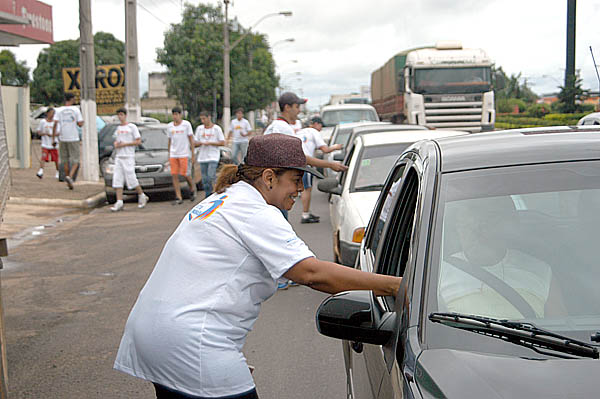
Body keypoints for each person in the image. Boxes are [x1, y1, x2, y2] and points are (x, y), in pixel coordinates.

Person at [114, 133, 402, 399]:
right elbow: (312, 274)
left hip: (156, 335)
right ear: (269, 177)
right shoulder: (255, 212)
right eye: (296, 179)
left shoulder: (219, 201)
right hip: (191, 343)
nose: (301, 189)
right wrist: (396, 285)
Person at [438, 198, 566, 319]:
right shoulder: (437, 275)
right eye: (468, 226)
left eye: (484, 225)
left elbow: (562, 333)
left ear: (504, 228)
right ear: (457, 229)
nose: (477, 234)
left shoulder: (540, 271)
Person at [297, 116, 343, 224]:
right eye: (321, 125)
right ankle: (305, 214)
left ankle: (307, 212)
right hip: (306, 163)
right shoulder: (313, 132)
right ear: (316, 124)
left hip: (297, 161)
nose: (321, 128)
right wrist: (336, 147)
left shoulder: (300, 132)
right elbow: (325, 150)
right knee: (306, 189)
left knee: (304, 188)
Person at [109, 108, 149, 212]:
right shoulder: (117, 128)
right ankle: (119, 201)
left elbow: (138, 141)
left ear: (125, 115)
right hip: (119, 156)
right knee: (117, 178)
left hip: (128, 156)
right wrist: (117, 144)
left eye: (121, 114)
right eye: (118, 115)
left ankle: (141, 195)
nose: (120, 117)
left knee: (131, 178)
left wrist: (125, 144)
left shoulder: (132, 127)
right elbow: (116, 141)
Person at [53, 93, 83, 190]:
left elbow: (55, 124)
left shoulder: (59, 110)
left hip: (62, 137)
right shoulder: (76, 110)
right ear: (72, 99)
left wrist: (54, 138)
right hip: (73, 137)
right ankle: (70, 176)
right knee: (76, 160)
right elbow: (80, 124)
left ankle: (67, 177)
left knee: (65, 160)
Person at [167, 107, 196, 205]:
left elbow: (191, 139)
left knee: (185, 174)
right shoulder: (170, 126)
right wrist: (169, 153)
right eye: (173, 114)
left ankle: (192, 188)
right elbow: (169, 141)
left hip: (184, 153)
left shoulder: (186, 125)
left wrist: (192, 153)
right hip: (174, 154)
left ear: (180, 115)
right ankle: (178, 196)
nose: (175, 116)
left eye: (177, 114)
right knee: (174, 175)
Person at [194, 111, 225, 198]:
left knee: (211, 175)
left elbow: (222, 142)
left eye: (204, 118)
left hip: (213, 156)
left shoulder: (216, 129)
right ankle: (208, 194)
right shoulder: (199, 129)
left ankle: (217, 190)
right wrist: (200, 143)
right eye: (201, 119)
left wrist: (211, 143)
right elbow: (195, 142)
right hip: (202, 157)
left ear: (209, 118)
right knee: (204, 179)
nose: (203, 121)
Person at [36, 107, 60, 179]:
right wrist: (44, 133)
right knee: (43, 157)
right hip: (45, 143)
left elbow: (59, 132)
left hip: (53, 144)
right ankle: (41, 170)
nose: (52, 115)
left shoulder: (56, 123)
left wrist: (53, 135)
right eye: (50, 113)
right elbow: (39, 131)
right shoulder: (43, 122)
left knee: (55, 159)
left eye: (53, 114)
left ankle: (58, 171)